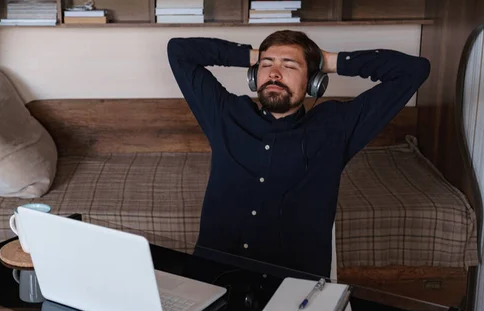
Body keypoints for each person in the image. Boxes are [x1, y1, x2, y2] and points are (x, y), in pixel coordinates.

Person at [166, 30, 430, 278]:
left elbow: (413, 70)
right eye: (266, 65)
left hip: (291, 294)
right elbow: (179, 50)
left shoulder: (336, 126)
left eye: (290, 66)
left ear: (314, 82)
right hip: (213, 282)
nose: (274, 74)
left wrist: (329, 60)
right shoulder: (225, 114)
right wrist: (252, 55)